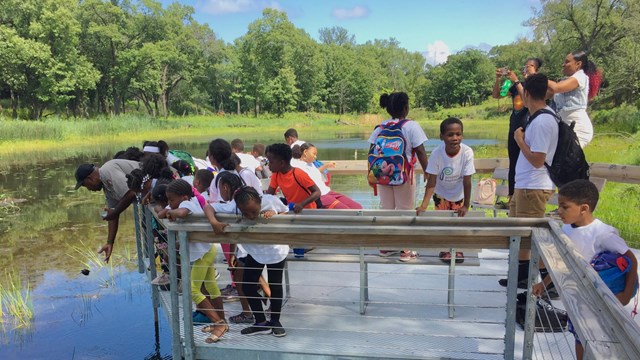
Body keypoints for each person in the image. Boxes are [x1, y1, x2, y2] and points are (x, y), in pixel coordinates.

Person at [531, 179, 638, 360]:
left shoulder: (603, 234)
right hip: (579, 296)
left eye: (565, 207)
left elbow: (631, 260)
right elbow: (565, 263)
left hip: (600, 297)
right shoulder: (566, 229)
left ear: (584, 208)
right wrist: (545, 283)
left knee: (600, 340)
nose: (559, 211)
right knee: (579, 334)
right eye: (559, 206)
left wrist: (626, 295)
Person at [499, 73, 558, 288]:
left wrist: (519, 140)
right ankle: (521, 276)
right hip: (524, 186)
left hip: (534, 186)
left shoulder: (543, 121)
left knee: (532, 238)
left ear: (529, 93)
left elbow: (537, 160)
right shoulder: (537, 117)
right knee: (520, 236)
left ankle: (550, 283)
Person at [209, 185, 290, 336]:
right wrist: (214, 222)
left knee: (275, 287)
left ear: (260, 201)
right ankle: (261, 322)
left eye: (254, 211)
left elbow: (287, 211)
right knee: (247, 287)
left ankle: (275, 321)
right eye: (246, 213)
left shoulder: (271, 200)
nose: (251, 216)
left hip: (275, 251)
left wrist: (276, 214)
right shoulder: (234, 206)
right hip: (254, 251)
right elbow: (208, 207)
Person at [157, 179, 228, 343]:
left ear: (183, 197)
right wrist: (168, 208)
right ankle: (222, 321)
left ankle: (219, 323)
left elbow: (181, 213)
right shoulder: (187, 201)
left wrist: (171, 213)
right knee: (210, 285)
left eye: (172, 199)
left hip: (202, 254)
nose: (169, 203)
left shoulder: (188, 204)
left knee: (192, 289)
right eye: (168, 200)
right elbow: (161, 213)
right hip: (206, 250)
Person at [368, 92, 429, 261]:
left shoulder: (380, 127)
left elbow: (371, 152)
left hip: (382, 176)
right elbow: (421, 151)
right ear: (405, 108)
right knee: (405, 210)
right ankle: (405, 249)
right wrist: (427, 172)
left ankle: (386, 247)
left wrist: (373, 174)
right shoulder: (411, 126)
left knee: (387, 210)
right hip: (404, 175)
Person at [415, 118, 475, 264]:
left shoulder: (467, 152)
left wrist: (466, 205)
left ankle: (457, 249)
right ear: (441, 136)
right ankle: (445, 249)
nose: (455, 138)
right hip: (441, 194)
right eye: (450, 135)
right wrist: (423, 205)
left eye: (458, 134)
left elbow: (467, 181)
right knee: (443, 222)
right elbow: (432, 181)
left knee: (458, 224)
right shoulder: (437, 153)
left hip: (459, 194)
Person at [492, 58, 542, 197]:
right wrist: (498, 80)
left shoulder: (538, 86)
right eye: (525, 66)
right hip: (514, 129)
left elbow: (526, 102)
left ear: (537, 70)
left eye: (530, 66)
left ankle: (524, 196)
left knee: (526, 164)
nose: (526, 69)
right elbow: (497, 95)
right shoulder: (515, 85)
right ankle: (511, 197)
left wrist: (516, 81)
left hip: (528, 130)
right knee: (513, 164)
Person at [74, 159, 140, 263]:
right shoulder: (106, 186)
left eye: (85, 185)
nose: (88, 189)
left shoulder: (107, 171)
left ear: (89, 178)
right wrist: (110, 242)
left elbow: (131, 192)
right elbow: (112, 212)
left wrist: (114, 212)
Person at [548, 51, 601, 148]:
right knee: (561, 160)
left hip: (578, 128)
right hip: (565, 129)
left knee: (566, 158)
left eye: (567, 62)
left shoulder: (580, 77)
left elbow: (555, 88)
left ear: (578, 64)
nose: (563, 64)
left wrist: (537, 77)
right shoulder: (564, 81)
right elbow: (544, 95)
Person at [292, 143, 361, 209]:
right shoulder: (298, 166)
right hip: (321, 196)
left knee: (357, 207)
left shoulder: (311, 164)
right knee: (346, 211)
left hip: (328, 192)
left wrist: (327, 165)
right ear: (305, 152)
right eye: (314, 154)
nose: (315, 156)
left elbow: (314, 172)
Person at [265, 143, 321, 213]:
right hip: (292, 210)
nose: (269, 165)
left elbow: (317, 192)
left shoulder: (298, 174)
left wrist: (302, 204)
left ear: (282, 163)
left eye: (271, 162)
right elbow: (269, 195)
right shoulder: (276, 174)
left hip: (308, 211)